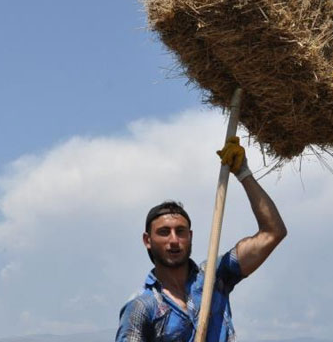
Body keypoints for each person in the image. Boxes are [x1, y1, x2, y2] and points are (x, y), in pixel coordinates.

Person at [116, 136, 287, 342]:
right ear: (147, 240)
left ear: (190, 237)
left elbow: (273, 232)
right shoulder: (142, 308)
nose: (173, 240)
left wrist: (243, 173)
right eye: (164, 232)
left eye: (180, 231)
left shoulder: (214, 278)